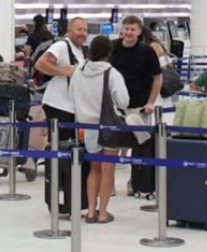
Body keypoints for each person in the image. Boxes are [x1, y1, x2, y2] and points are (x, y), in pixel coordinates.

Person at [70, 35, 129, 224]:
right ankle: (103, 213)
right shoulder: (111, 73)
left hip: (88, 126)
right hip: (109, 126)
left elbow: (71, 96)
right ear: (108, 53)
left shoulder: (78, 71)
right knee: (107, 169)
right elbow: (123, 101)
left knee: (94, 169)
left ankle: (90, 212)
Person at [34, 17, 88, 141]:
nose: (83, 33)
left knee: (71, 146)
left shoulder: (81, 51)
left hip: (72, 108)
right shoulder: (62, 46)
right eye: (79, 29)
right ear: (69, 31)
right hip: (58, 106)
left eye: (85, 30)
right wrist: (64, 71)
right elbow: (40, 64)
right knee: (58, 146)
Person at [112, 16, 162, 117]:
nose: (129, 32)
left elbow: (158, 77)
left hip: (139, 107)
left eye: (132, 29)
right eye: (126, 29)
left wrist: (151, 103)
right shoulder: (112, 47)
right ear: (122, 29)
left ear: (139, 32)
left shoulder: (147, 51)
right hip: (115, 107)